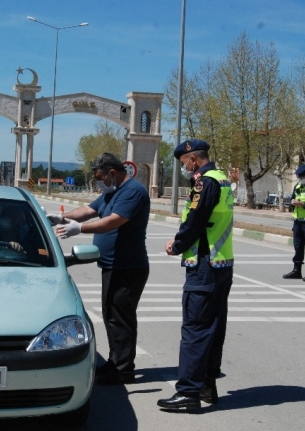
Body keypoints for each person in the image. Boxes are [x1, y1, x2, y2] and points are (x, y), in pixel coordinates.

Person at [47, 152, 150, 385]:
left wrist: (79, 230)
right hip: (113, 265)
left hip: (128, 266)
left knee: (120, 318)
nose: (98, 181)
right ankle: (116, 363)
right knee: (112, 315)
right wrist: (62, 218)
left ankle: (123, 369)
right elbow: (88, 210)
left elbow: (113, 221)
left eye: (99, 177)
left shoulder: (132, 191)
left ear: (112, 173)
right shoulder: (112, 191)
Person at [157, 139, 234, 412]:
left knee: (195, 328)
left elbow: (196, 220)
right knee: (213, 328)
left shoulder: (205, 182)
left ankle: (188, 392)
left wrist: (176, 245)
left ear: (193, 158)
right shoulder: (223, 179)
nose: (185, 169)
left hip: (204, 264)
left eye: (184, 164)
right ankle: (207, 386)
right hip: (222, 263)